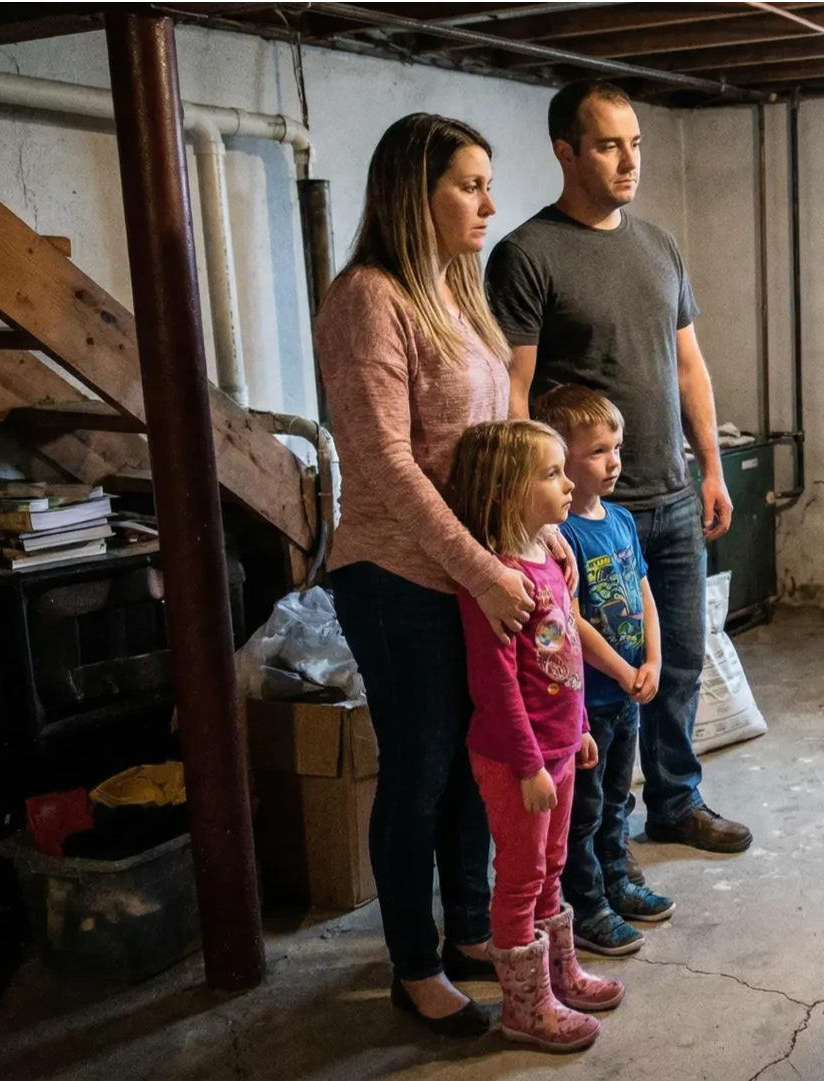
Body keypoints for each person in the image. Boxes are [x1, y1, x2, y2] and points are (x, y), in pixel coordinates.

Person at [486, 79, 750, 854]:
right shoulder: (527, 255)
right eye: (608, 144)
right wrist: (530, 511)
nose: (629, 159)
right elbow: (516, 390)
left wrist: (711, 467)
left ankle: (675, 800)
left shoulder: (659, 245)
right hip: (590, 515)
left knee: (678, 664)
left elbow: (690, 367)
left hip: (670, 497)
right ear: (565, 151)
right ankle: (590, 843)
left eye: (634, 142)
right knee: (593, 689)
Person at [318, 113, 530, 1036]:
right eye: (468, 185)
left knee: (473, 769)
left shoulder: (460, 289)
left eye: (487, 183)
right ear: (416, 192)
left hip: (473, 571)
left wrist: (529, 532)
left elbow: (487, 439)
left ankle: (470, 928)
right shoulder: (370, 297)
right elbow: (388, 466)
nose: (489, 203)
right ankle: (412, 961)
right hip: (399, 574)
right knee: (421, 769)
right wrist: (484, 569)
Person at [450, 419, 626, 1052]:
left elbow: (567, 657)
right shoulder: (495, 582)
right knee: (521, 878)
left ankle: (558, 976)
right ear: (505, 493)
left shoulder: (550, 558)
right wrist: (528, 766)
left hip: (557, 748)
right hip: (514, 759)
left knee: (551, 868)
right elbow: (495, 689)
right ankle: (524, 1008)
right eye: (550, 473)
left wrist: (577, 728)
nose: (565, 482)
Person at [534, 385, 678, 958]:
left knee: (619, 798)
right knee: (586, 809)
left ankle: (617, 881)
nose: (614, 461)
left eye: (616, 447)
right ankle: (586, 903)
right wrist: (622, 670)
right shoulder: (561, 534)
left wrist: (653, 661)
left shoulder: (619, 519)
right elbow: (569, 622)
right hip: (588, 699)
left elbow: (643, 593)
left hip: (625, 692)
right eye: (597, 451)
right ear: (560, 462)